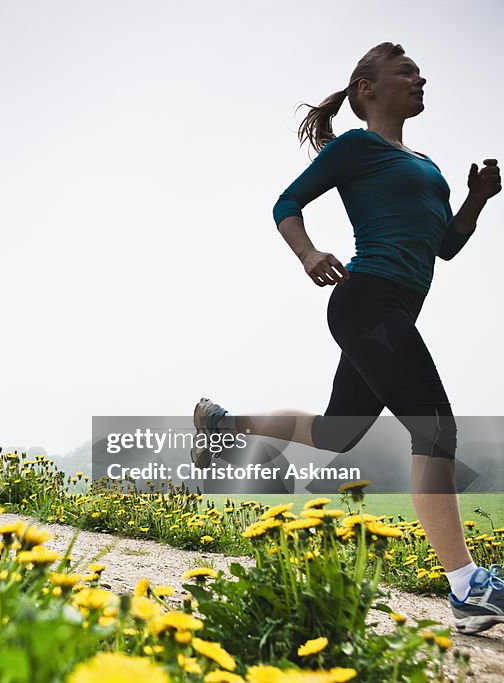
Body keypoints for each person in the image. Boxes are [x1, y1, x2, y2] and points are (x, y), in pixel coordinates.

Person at [190, 42, 502, 634]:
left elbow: (445, 245)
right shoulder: (357, 148)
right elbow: (286, 203)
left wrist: (477, 201)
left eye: (418, 71)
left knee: (339, 431)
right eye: (406, 72)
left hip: (392, 311)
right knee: (435, 428)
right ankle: (467, 589)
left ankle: (225, 423)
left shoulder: (429, 166)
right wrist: (308, 253)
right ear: (367, 89)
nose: (420, 78)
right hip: (368, 301)